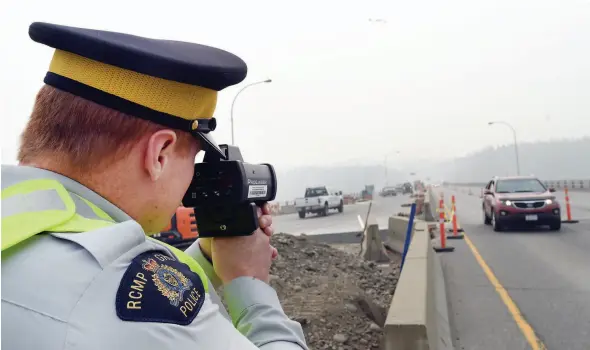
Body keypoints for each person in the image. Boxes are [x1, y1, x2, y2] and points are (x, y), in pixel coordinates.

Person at [1, 22, 308, 350]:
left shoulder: (18, 223)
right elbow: (121, 297)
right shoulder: (116, 294)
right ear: (159, 154)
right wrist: (250, 284)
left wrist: (208, 255)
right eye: (193, 158)